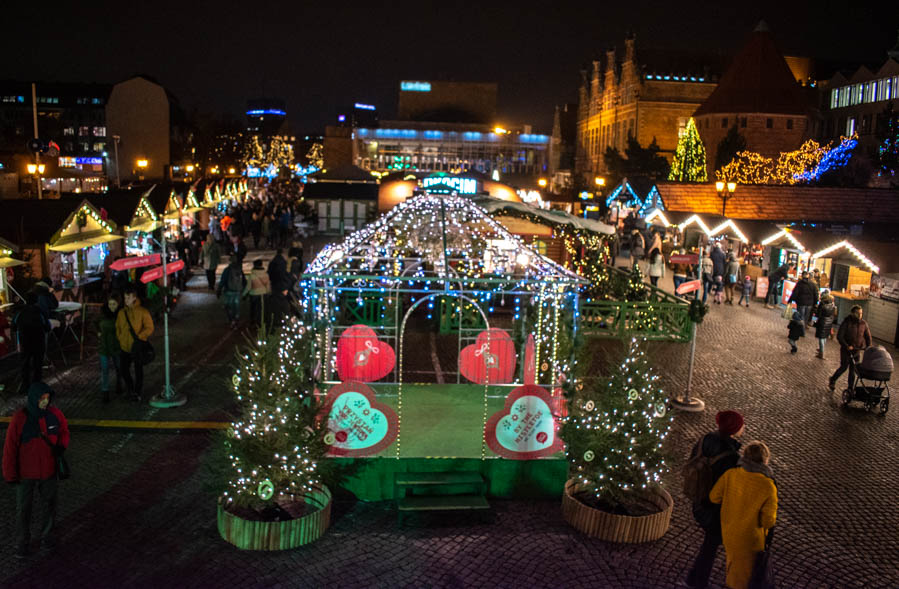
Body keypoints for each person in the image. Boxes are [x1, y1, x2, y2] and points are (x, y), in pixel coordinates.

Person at [3, 382, 70, 558]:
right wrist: (10, 474)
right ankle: (22, 543)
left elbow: (64, 432)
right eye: (42, 398)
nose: (45, 402)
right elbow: (10, 448)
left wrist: (61, 446)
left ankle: (47, 536)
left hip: (48, 472)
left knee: (49, 505)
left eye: (47, 398)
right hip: (26, 474)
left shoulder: (55, 415)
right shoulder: (20, 418)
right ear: (34, 398)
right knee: (23, 510)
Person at [684, 410, 744, 589]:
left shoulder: (705, 439)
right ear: (734, 429)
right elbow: (727, 487)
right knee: (710, 545)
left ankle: (695, 579)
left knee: (709, 545)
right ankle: (697, 581)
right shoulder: (731, 456)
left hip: (698, 497)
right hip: (713, 507)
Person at [709, 441, 778, 589]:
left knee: (732, 566)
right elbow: (768, 521)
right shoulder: (768, 486)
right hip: (750, 540)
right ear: (765, 460)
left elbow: (714, 497)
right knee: (742, 579)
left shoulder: (730, 475)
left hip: (729, 532)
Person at [116, 286, 154, 402]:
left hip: (137, 346)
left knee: (138, 370)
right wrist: (121, 338)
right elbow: (118, 327)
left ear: (134, 298)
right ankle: (130, 388)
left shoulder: (143, 312)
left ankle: (137, 392)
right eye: (125, 298)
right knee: (123, 369)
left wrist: (140, 337)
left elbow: (149, 327)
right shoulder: (122, 312)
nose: (126, 300)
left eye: (128, 298)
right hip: (125, 347)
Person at [12, 292, 51, 395]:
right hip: (39, 343)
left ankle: (25, 387)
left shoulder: (20, 312)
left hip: (25, 343)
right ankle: (36, 388)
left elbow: (13, 327)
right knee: (38, 365)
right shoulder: (40, 312)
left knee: (25, 365)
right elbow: (47, 327)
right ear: (36, 300)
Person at [828, 305, 871, 392]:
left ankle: (850, 388)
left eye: (861, 313)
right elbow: (840, 336)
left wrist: (868, 347)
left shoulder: (863, 324)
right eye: (857, 313)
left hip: (857, 350)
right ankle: (832, 379)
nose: (860, 315)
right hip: (846, 350)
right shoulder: (846, 322)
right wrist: (846, 346)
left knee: (853, 370)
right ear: (852, 313)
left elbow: (868, 336)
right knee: (844, 367)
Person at [96, 295, 122, 403]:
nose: (112, 306)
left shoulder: (121, 314)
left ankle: (119, 383)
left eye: (114, 304)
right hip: (104, 346)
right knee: (105, 369)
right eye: (110, 304)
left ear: (118, 304)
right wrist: (98, 332)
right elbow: (95, 323)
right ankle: (105, 391)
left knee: (119, 367)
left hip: (117, 345)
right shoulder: (102, 314)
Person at [217, 257, 246, 329]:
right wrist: (244, 290)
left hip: (229, 291)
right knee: (236, 306)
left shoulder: (227, 270)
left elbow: (222, 281)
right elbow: (244, 281)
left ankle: (232, 320)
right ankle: (236, 319)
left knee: (228, 306)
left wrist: (219, 290)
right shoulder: (239, 270)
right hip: (237, 291)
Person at [244, 259, 271, 327]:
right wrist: (268, 292)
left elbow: (248, 287)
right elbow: (268, 285)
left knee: (253, 310)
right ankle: (262, 322)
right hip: (263, 294)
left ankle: (253, 322)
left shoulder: (252, 275)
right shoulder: (266, 274)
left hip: (254, 294)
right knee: (262, 309)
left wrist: (244, 294)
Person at [813, 292, 836, 359]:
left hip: (822, 322)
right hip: (829, 323)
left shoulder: (822, 305)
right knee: (824, 337)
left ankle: (821, 352)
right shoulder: (833, 306)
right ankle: (821, 350)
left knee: (821, 338)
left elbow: (818, 314)